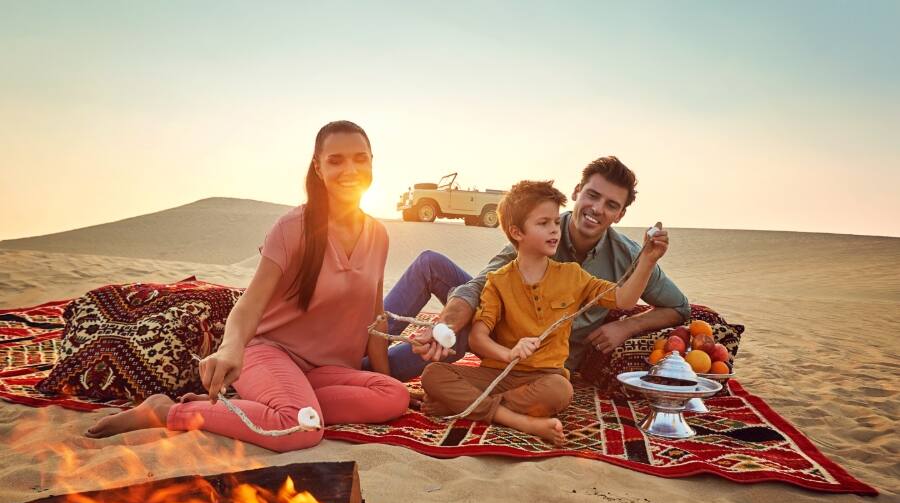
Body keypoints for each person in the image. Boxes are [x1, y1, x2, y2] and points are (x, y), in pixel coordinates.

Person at [86, 120, 409, 451]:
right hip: (270, 354)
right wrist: (230, 348)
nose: (350, 169)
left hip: (326, 371)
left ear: (372, 161)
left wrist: (384, 377)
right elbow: (250, 304)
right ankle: (166, 411)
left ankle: (269, 404)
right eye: (336, 160)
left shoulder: (378, 235)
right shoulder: (292, 227)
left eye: (360, 158)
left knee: (394, 396)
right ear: (318, 166)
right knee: (300, 428)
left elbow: (375, 317)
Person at [371, 156, 689, 381]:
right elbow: (480, 285)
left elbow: (679, 307)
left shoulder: (630, 257)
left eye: (611, 205)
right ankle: (357, 349)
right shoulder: (539, 229)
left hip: (539, 359)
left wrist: (625, 327)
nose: (596, 209)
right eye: (592, 195)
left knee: (464, 331)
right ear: (577, 193)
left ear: (619, 215)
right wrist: (447, 323)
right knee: (431, 265)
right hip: (499, 325)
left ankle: (367, 372)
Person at [419, 181, 668, 445]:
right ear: (517, 232)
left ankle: (467, 406)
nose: (554, 229)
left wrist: (648, 261)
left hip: (544, 379)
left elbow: (623, 299)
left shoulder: (572, 275)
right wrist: (510, 353)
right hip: (498, 374)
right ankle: (516, 419)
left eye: (555, 222)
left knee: (561, 391)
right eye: (543, 223)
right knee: (433, 374)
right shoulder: (498, 280)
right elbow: (478, 338)